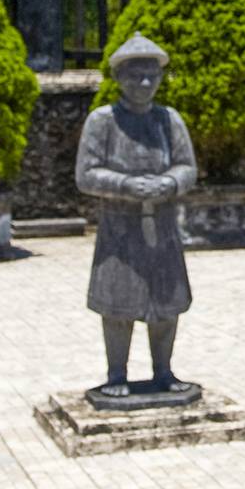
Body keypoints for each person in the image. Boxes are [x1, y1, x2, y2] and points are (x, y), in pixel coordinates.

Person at [75, 33, 199, 399]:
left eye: (151, 76)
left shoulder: (169, 120)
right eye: (135, 76)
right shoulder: (102, 122)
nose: (144, 84)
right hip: (119, 230)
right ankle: (116, 374)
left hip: (162, 228)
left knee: (166, 304)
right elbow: (86, 174)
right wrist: (126, 185)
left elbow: (187, 167)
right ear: (118, 79)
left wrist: (168, 183)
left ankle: (164, 371)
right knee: (118, 305)